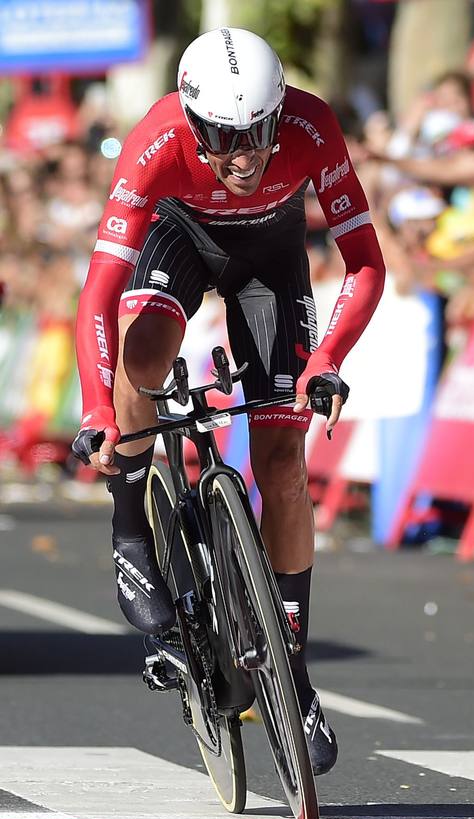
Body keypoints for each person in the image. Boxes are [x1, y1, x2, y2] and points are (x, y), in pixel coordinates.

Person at [70, 27, 387, 776]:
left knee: (282, 465)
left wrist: (327, 360)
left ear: (280, 113)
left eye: (257, 134)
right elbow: (99, 294)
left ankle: (295, 681)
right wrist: (97, 411)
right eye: (221, 137)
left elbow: (366, 262)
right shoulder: (154, 142)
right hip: (178, 238)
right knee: (143, 352)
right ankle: (132, 531)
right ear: (189, 118)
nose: (243, 156)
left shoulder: (313, 126)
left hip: (269, 258)